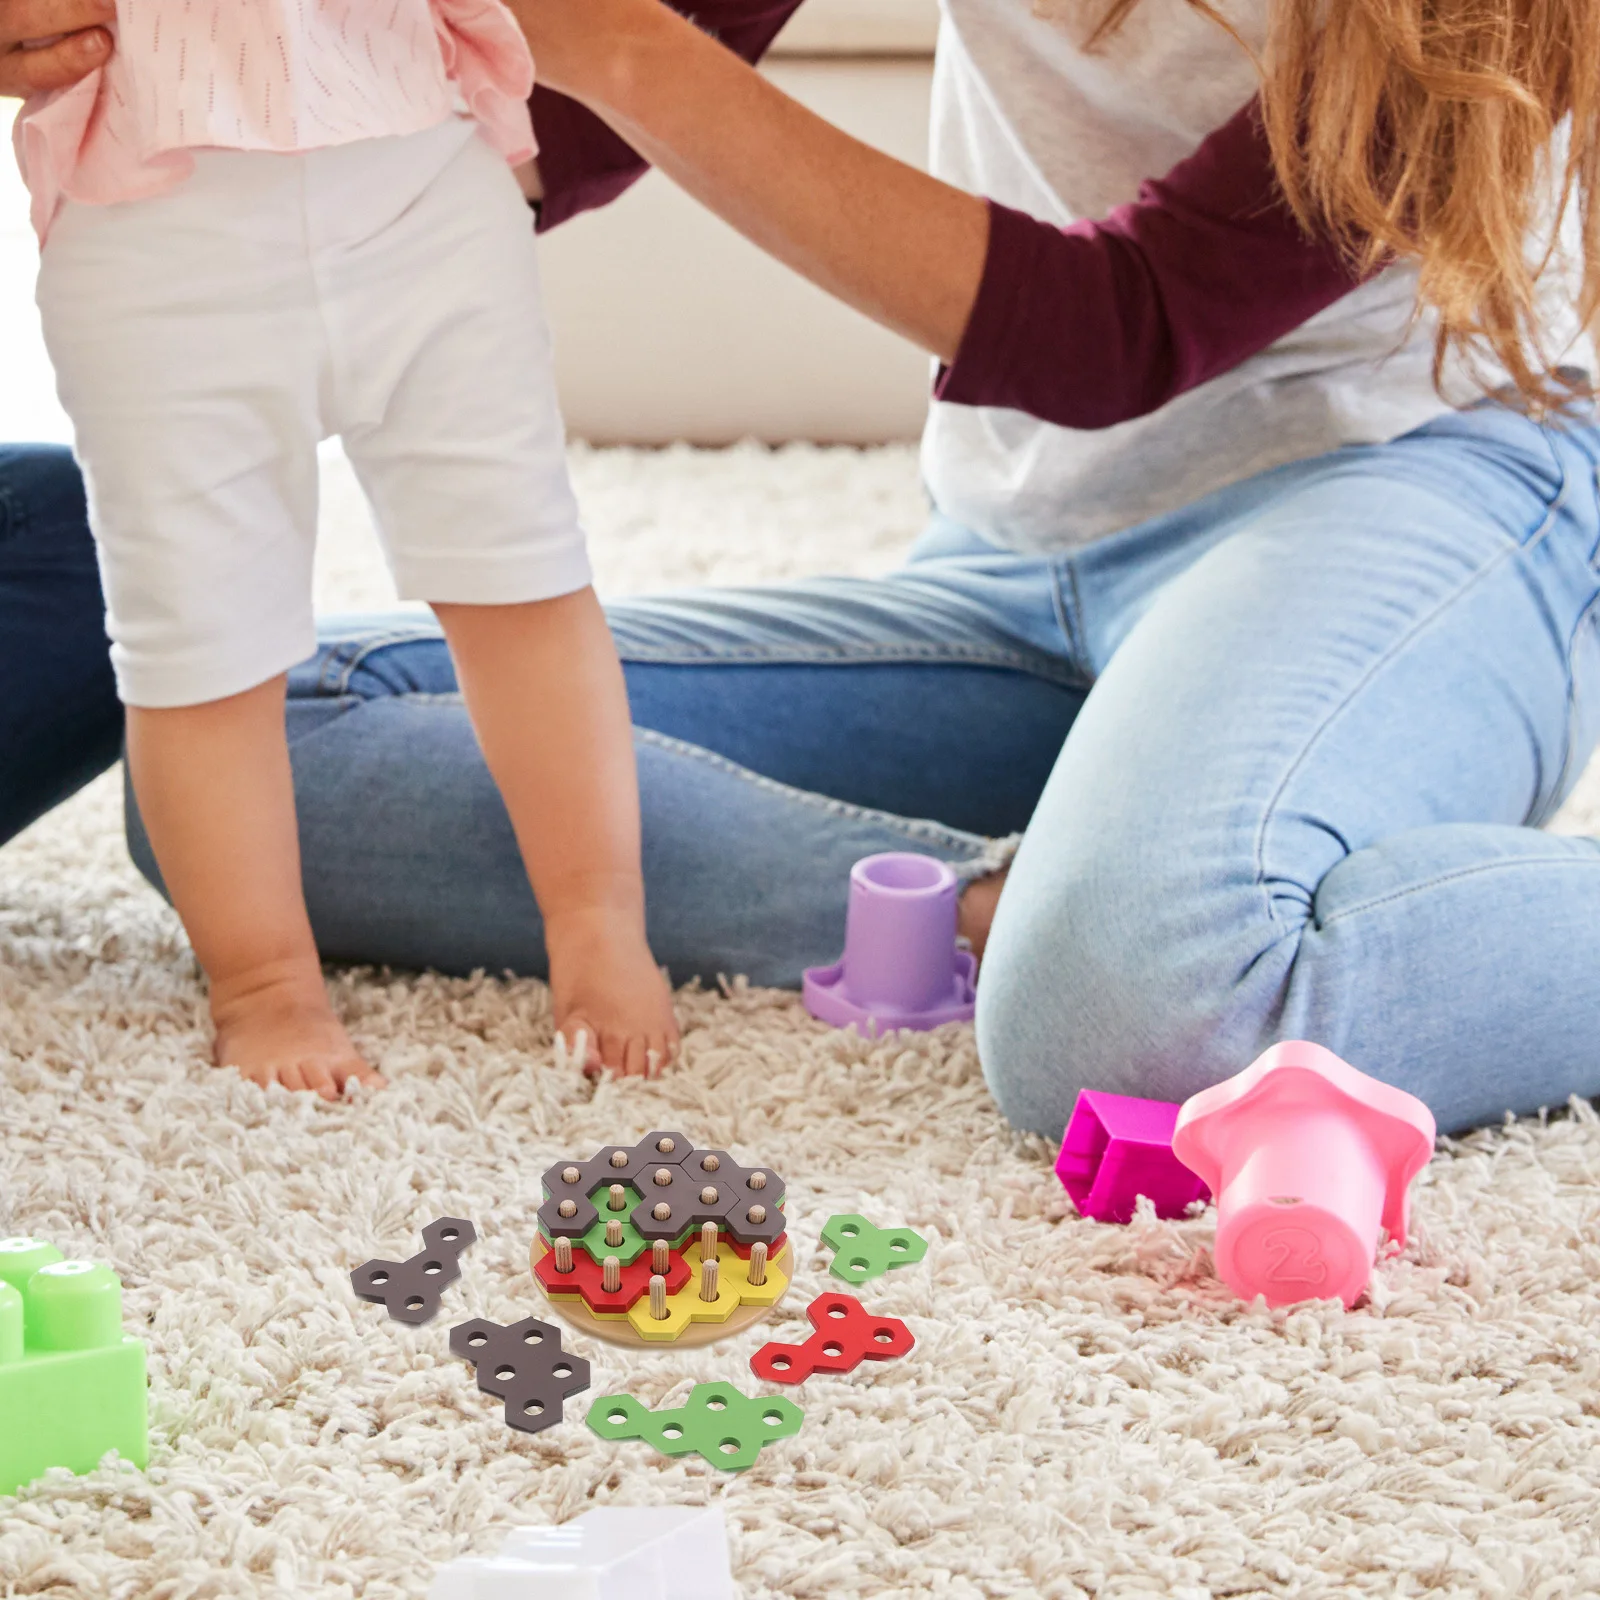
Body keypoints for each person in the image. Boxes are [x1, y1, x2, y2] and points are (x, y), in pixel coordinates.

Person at [6, 0, 1600, 1137]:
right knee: (261, 759)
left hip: (1418, 488)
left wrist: (618, 39)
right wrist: (175, 60)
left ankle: (1146, 915)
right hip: (1017, 566)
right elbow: (508, 140)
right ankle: (1002, 900)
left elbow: (1126, 328)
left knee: (1128, 1019)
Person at [10, 0, 679, 1097]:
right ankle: (263, 983)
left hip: (418, 168)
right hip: (147, 208)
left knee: (520, 570)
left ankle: (600, 918)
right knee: (198, 641)